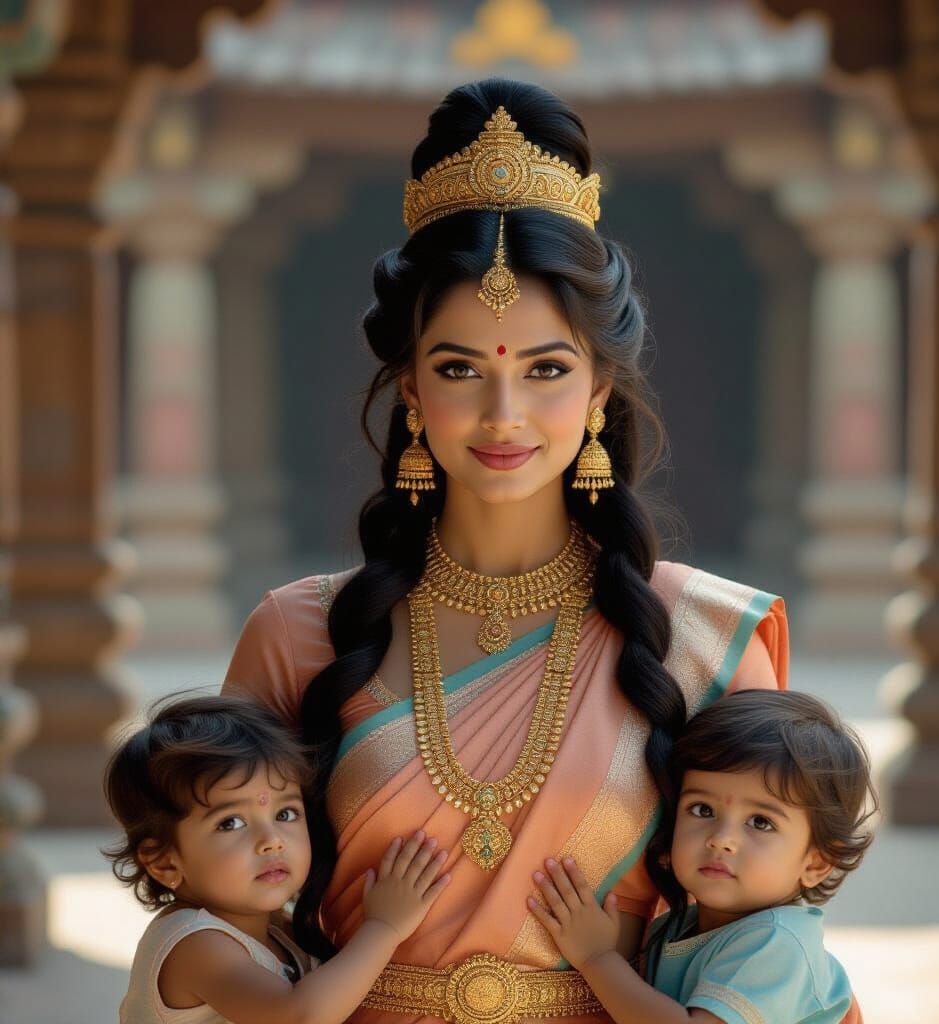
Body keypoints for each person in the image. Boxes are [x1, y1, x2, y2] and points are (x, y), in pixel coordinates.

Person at [223, 77, 789, 1024]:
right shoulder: (296, 635)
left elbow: (765, 948)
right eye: (459, 369)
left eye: (546, 369)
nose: (503, 415)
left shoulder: (704, 640)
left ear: (600, 390)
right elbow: (219, 922)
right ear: (410, 388)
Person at [528, 690, 876, 1024]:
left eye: (760, 822)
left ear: (815, 863)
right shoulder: (673, 928)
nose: (721, 840)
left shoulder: (778, 942)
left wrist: (597, 958)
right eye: (702, 810)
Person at [105, 694, 450, 1024]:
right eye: (231, 823)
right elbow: (300, 1016)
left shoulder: (277, 931)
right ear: (164, 863)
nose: (271, 841)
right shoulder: (194, 944)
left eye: (285, 814)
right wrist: (384, 928)